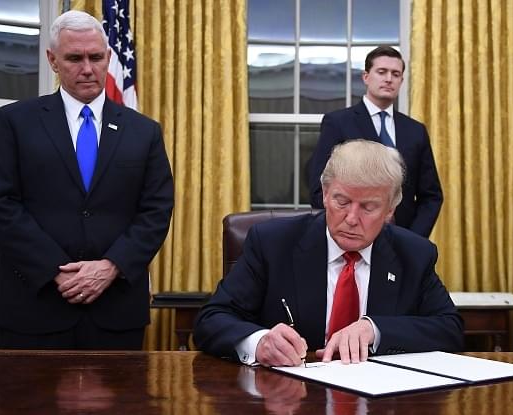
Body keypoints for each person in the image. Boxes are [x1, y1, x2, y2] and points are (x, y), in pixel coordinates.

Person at [0, 10, 173, 350]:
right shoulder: (15, 122)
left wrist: (111, 267)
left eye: (96, 57)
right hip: (33, 309)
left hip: (115, 313)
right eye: (74, 58)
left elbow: (156, 210)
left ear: (108, 57)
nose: (87, 68)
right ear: (52, 60)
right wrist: (56, 271)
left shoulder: (144, 131)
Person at [194, 140, 462, 367]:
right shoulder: (272, 243)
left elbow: (450, 329)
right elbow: (211, 320)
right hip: (289, 397)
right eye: (341, 201)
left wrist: (376, 330)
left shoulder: (414, 254)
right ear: (324, 194)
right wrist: (259, 342)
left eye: (368, 207)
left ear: (391, 209)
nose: (351, 218)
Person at [307, 46, 443, 238]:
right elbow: (318, 190)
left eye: (395, 74)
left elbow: (431, 195)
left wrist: (413, 239)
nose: (389, 78)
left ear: (401, 81)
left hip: (403, 239)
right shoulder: (338, 123)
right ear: (366, 77)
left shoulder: (415, 130)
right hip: (351, 236)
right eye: (382, 72)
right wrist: (348, 226)